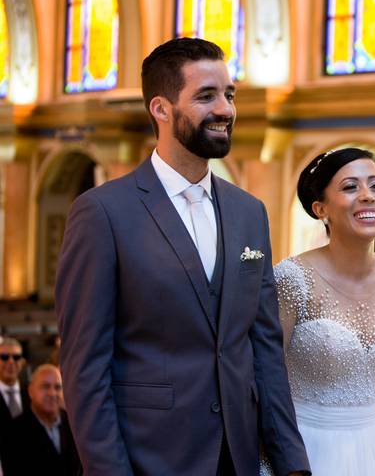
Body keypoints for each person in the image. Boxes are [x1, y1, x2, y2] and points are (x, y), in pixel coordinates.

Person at [55, 37, 309, 476]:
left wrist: (292, 463)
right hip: (149, 458)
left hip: (237, 458)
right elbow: (85, 369)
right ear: (161, 108)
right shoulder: (102, 213)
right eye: (206, 96)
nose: (225, 109)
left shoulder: (249, 212)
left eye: (229, 94)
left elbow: (265, 350)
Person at [274, 148, 375, 476]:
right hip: (308, 448)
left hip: (374, 448)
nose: (368, 196)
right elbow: (267, 385)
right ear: (320, 208)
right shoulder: (292, 279)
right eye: (351, 187)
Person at [0, 365, 80, 475]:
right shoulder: (12, 432)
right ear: (30, 391)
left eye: (58, 387)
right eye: (45, 387)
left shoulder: (74, 424)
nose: (52, 393)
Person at [0, 338, 28, 434]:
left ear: (22, 362)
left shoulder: (32, 393)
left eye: (16, 357)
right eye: (4, 357)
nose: (11, 362)